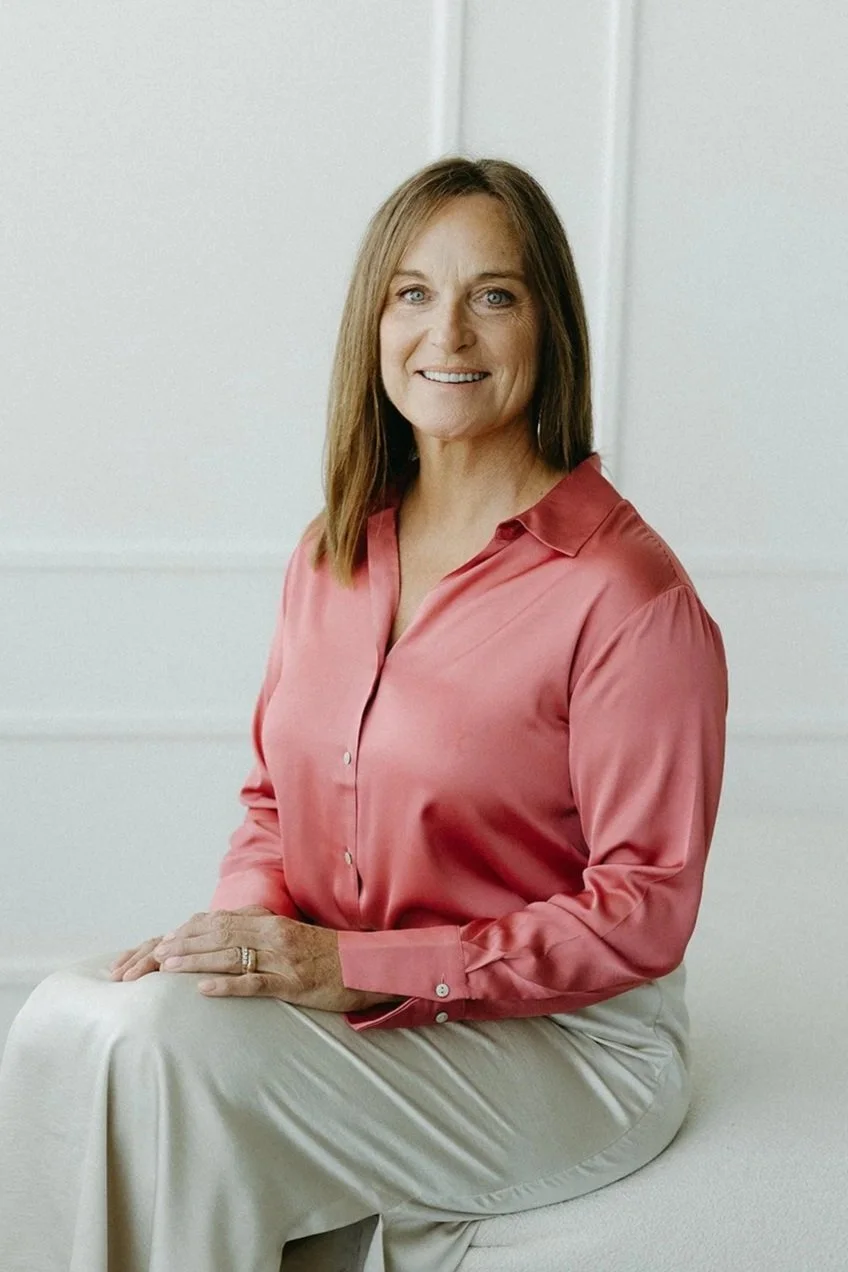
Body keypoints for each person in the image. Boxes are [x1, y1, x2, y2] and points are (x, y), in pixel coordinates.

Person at [0, 156, 728, 1272]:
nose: (450, 333)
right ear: (373, 323)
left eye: (494, 294)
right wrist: (245, 941)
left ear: (549, 327)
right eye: (412, 293)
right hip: (347, 989)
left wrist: (359, 969)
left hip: (563, 1050)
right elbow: (267, 802)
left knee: (168, 1059)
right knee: (65, 1016)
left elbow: (642, 911)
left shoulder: (624, 595)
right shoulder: (334, 549)